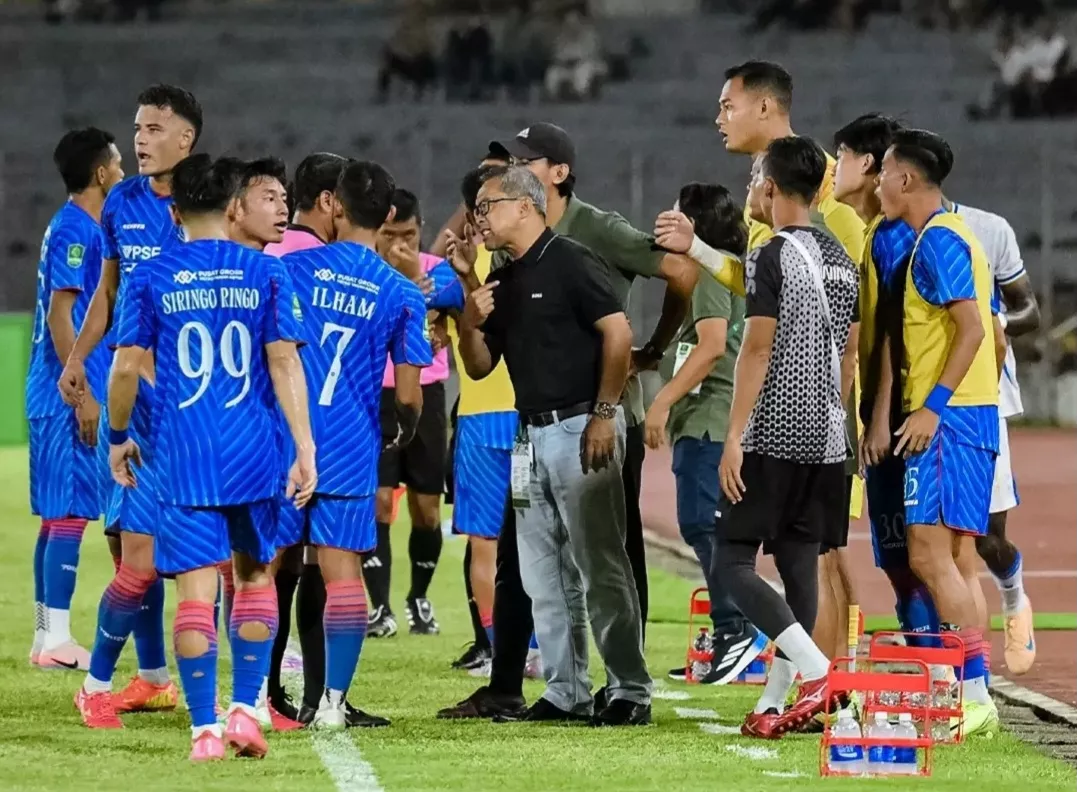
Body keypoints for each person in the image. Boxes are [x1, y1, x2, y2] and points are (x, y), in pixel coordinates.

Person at [437, 123, 693, 718]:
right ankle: (565, 690)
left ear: (524, 206)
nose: (476, 220)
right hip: (529, 435)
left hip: (583, 428)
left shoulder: (575, 258)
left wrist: (606, 413)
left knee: (602, 568)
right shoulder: (500, 278)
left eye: (486, 207)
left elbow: (618, 332)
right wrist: (469, 308)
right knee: (541, 574)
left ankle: (629, 689)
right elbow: (478, 368)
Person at [107, 153, 316, 761]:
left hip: (185, 453)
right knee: (254, 579)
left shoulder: (152, 275)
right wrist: (303, 445)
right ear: (231, 206)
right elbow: (284, 361)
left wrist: (119, 435)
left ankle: (204, 730)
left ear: (174, 211)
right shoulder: (266, 272)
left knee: (195, 595)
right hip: (254, 448)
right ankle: (248, 709)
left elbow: (124, 367)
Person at [659, 61, 865, 665]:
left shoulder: (825, 202)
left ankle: (826, 679)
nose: (719, 117)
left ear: (766, 109)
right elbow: (761, 285)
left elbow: (831, 321)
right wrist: (697, 247)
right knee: (811, 556)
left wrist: (852, 410)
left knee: (820, 560)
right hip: (821, 417)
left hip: (799, 416)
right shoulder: (786, 204)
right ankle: (817, 684)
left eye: (728, 105)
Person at [713, 136, 860, 739]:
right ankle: (775, 705)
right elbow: (848, 355)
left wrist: (735, 435)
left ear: (771, 188)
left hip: (773, 433)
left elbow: (757, 345)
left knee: (733, 564)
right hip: (829, 438)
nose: (750, 189)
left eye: (754, 178)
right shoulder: (841, 257)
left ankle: (824, 677)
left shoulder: (770, 252)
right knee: (799, 566)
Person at [65, 84, 201, 726]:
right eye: (137, 127)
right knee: (131, 552)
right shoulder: (120, 203)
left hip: (200, 407)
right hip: (140, 406)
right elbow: (108, 293)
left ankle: (261, 682)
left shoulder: (209, 202)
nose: (140, 139)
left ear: (187, 139)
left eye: (153, 128)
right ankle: (145, 677)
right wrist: (76, 359)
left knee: (214, 559)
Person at [282, 160, 432, 729]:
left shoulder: (291, 269)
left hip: (287, 440)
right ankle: (332, 704)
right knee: (343, 574)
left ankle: (257, 697)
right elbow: (411, 392)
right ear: (389, 215)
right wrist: (404, 429)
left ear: (336, 206)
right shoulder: (401, 292)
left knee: (269, 569)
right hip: (349, 441)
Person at [876, 128, 1000, 736]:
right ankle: (969, 691)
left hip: (949, 419)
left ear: (904, 179)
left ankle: (973, 694)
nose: (876, 182)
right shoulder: (951, 235)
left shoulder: (939, 241)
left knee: (929, 554)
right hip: (968, 414)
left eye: (883, 172)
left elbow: (974, 329)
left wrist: (932, 407)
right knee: (953, 556)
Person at [643, 183, 767, 684]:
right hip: (706, 419)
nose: (667, 219)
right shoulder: (711, 271)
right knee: (706, 528)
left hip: (711, 418)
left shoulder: (714, 269)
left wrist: (662, 399)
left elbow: (712, 346)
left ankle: (735, 631)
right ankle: (734, 634)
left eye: (676, 214)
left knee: (707, 526)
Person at [265, 152, 359, 724]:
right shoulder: (321, 263)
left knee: (278, 567)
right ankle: (323, 694)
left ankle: (266, 692)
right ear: (329, 202)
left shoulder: (271, 253)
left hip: (268, 436)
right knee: (318, 566)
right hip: (316, 440)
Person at [27, 128, 124, 671]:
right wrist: (81, 389)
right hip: (66, 390)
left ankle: (47, 636)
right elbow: (61, 312)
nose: (124, 171)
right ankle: (58, 638)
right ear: (101, 173)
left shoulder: (68, 226)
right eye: (118, 163)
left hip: (51, 386)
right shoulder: (77, 230)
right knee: (68, 516)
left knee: (53, 518)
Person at [435, 163, 523, 678]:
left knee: (485, 545)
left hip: (482, 420)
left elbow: (414, 288)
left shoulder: (455, 267)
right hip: (530, 416)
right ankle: (528, 646)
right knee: (536, 545)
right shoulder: (533, 254)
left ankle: (496, 649)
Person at [365, 188, 451, 638]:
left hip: (428, 393)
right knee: (378, 501)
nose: (400, 246)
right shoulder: (365, 275)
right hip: (374, 395)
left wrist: (435, 319)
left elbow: (452, 329)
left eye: (410, 236)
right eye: (391, 236)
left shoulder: (436, 273)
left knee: (427, 510)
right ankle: (379, 608)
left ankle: (418, 597)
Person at [544, 9, 605, 100]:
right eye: (568, 23)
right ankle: (553, 94)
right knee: (553, 72)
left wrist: (576, 59)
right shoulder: (561, 38)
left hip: (588, 64)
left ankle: (581, 93)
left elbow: (591, 54)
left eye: (574, 22)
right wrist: (564, 61)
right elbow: (557, 55)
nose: (571, 26)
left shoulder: (589, 35)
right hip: (566, 65)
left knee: (583, 70)